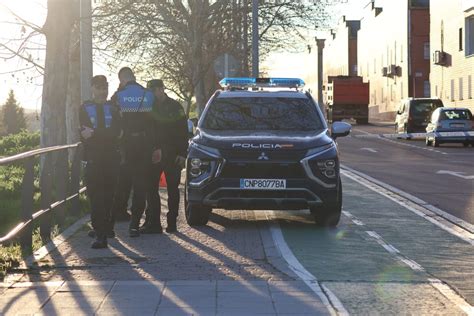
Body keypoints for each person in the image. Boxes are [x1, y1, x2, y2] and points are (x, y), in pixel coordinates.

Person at [112, 67, 155, 237]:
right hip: (144, 145)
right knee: (140, 186)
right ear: (134, 77)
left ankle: (114, 222)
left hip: (125, 146)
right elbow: (154, 123)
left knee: (122, 184)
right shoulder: (147, 94)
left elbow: (113, 120)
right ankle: (135, 225)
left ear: (122, 79)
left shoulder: (118, 96)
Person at [79, 75, 121, 249]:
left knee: (109, 196)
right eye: (98, 87)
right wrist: (103, 134)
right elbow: (83, 133)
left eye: (104, 87)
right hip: (94, 158)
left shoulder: (113, 108)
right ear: (92, 88)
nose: (102, 91)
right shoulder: (84, 108)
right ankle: (100, 234)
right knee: (96, 197)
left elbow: (116, 133)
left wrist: (96, 134)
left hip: (111, 157)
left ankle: (107, 227)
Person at [143, 79, 188, 234]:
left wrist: (183, 154)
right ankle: (154, 222)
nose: (153, 93)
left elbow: (183, 132)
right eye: (150, 91)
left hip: (173, 155)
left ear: (162, 89)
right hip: (155, 155)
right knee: (151, 189)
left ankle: (172, 222)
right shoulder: (148, 108)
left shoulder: (175, 107)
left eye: (155, 90)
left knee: (173, 190)